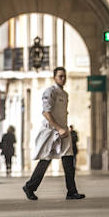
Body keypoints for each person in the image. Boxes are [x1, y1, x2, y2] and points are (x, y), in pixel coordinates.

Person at [23, 67, 85, 201]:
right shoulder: (50, 92)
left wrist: (64, 128)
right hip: (51, 131)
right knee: (45, 160)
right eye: (60, 76)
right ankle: (30, 186)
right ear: (54, 77)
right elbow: (46, 112)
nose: (63, 79)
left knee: (68, 160)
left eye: (64, 76)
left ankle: (72, 192)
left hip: (63, 131)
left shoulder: (65, 94)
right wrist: (58, 128)